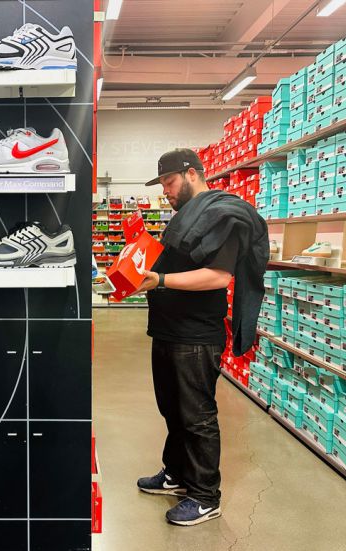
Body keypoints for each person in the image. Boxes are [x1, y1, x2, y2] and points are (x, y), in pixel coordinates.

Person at [134, 149, 269, 526]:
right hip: (168, 328)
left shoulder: (223, 216)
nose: (165, 191)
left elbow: (217, 277)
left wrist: (160, 280)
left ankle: (206, 496)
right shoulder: (189, 217)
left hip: (195, 334)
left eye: (169, 182)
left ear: (192, 174)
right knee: (172, 409)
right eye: (162, 184)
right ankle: (177, 474)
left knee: (197, 416)